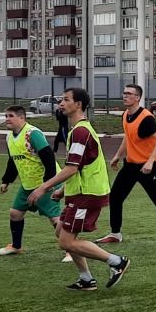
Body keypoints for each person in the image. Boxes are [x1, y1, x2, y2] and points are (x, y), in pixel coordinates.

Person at [29, 88, 130, 291]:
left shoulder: (81, 131)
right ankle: (86, 279)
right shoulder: (78, 130)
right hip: (80, 192)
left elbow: (72, 168)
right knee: (61, 232)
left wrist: (44, 187)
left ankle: (116, 262)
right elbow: (80, 167)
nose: (61, 103)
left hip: (87, 195)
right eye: (61, 100)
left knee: (66, 241)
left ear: (79, 105)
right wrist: (62, 191)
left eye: (66, 100)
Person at [100, 83, 156, 248]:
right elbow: (128, 137)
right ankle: (115, 233)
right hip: (131, 165)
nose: (124, 96)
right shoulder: (126, 115)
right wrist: (118, 156)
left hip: (148, 167)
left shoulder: (146, 118)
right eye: (124, 93)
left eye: (128, 93)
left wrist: (149, 162)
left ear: (137, 98)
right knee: (115, 197)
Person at [0, 105, 62, 257]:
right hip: (28, 184)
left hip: (46, 183)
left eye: (10, 116)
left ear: (22, 118)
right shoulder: (9, 137)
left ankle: (71, 250)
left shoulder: (33, 134)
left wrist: (47, 184)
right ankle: (16, 247)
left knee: (54, 218)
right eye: (6, 116)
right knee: (15, 213)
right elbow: (13, 161)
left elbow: (49, 158)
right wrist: (6, 181)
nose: (7, 119)